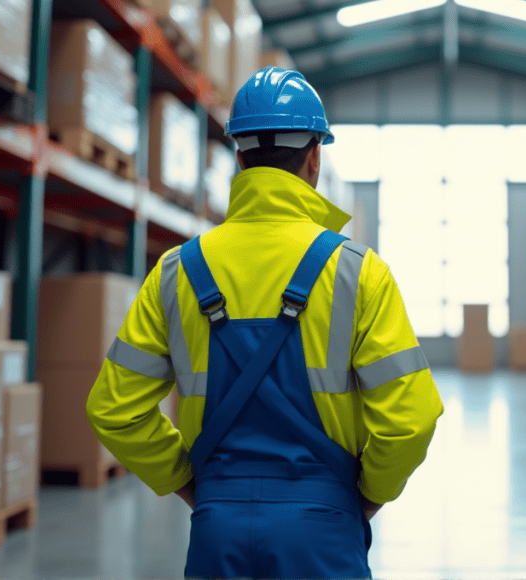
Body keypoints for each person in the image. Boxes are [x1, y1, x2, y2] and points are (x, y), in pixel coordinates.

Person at [86, 67, 444, 580]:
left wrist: (189, 483)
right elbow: (410, 421)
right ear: (315, 155)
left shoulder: (177, 272)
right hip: (324, 528)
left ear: (238, 156)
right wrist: (366, 497)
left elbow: (113, 410)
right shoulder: (358, 272)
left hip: (217, 527)